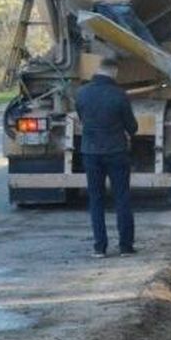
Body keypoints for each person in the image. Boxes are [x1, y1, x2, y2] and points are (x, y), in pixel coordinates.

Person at [74, 56, 139, 257]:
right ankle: (125, 246)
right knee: (122, 198)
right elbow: (133, 127)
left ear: (98, 70)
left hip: (91, 152)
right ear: (114, 73)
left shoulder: (82, 93)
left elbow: (81, 117)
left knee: (96, 200)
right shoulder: (119, 95)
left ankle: (99, 247)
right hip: (116, 152)